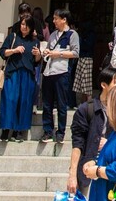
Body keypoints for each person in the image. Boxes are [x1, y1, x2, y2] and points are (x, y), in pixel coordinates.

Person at [67, 66, 116, 198]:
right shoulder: (86, 109)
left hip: (111, 170)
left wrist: (109, 143)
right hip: (87, 169)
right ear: (104, 85)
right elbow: (77, 144)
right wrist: (72, 175)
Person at [0, 16, 41, 142]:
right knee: (9, 100)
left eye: (27, 25)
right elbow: (2, 52)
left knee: (24, 102)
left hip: (27, 75)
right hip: (13, 73)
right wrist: (14, 50)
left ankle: (18, 131)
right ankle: (5, 130)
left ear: (31, 26)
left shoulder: (35, 41)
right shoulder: (13, 37)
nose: (24, 27)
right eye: (22, 24)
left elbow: (36, 62)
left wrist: (38, 55)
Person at [40, 9, 80, 144]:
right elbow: (49, 49)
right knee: (47, 104)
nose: (54, 21)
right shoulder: (53, 35)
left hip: (62, 72)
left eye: (56, 18)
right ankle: (47, 131)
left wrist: (58, 54)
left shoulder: (72, 34)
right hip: (49, 71)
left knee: (61, 104)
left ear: (64, 19)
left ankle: (61, 132)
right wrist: (46, 52)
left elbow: (75, 53)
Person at [72, 23, 95, 105]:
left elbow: (87, 45)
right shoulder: (86, 34)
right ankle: (83, 103)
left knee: (85, 82)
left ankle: (87, 103)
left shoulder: (88, 35)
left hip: (86, 58)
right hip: (84, 57)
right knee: (82, 82)